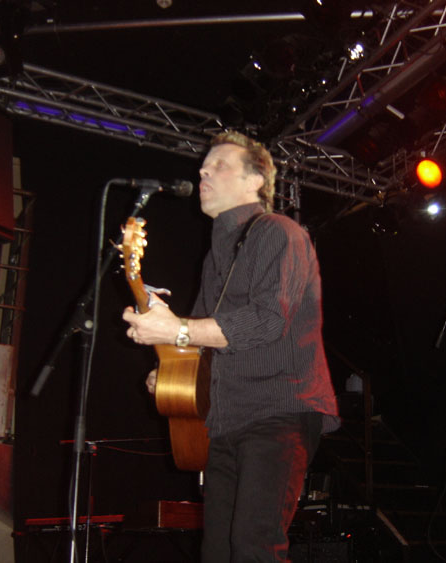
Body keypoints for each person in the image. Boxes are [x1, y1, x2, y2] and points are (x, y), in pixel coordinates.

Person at [122, 130, 339, 562]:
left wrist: (177, 330)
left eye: (218, 166)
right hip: (225, 419)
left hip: (278, 410)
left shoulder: (279, 231)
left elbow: (267, 320)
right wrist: (169, 365)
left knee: (253, 547)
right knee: (218, 552)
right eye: (203, 167)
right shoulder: (217, 254)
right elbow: (201, 340)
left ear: (255, 180)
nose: (203, 173)